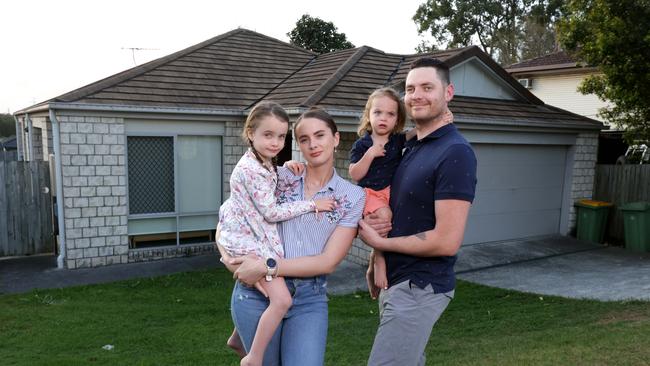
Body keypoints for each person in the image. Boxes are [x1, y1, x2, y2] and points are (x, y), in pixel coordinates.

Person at [218, 107, 365, 366]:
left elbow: (328, 261)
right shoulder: (278, 176)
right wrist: (229, 257)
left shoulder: (352, 197)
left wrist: (266, 265)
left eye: (320, 135)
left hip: (309, 296)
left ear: (336, 138)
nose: (313, 145)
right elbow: (232, 215)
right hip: (256, 292)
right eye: (304, 139)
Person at [358, 57, 477, 366]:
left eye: (427, 87)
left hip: (421, 285)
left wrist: (380, 244)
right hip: (396, 281)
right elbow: (397, 213)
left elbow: (446, 240)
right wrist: (376, 259)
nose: (416, 95)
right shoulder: (409, 147)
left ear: (448, 92)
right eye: (410, 89)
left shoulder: (455, 152)